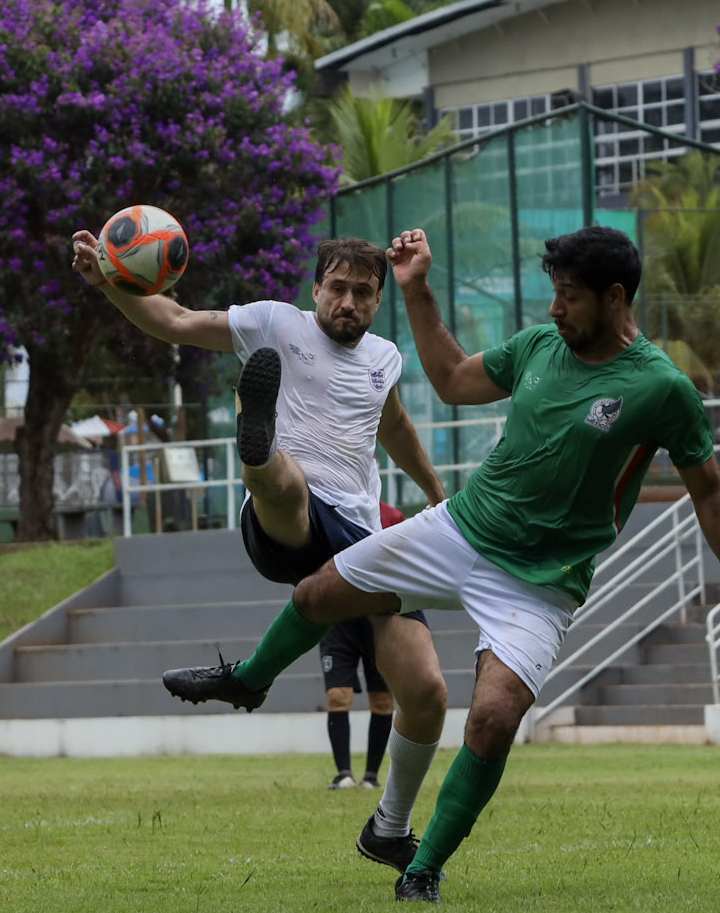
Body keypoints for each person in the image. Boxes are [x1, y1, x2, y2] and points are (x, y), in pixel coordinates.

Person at [163, 225, 720, 903]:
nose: (555, 308)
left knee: (492, 719)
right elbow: (453, 380)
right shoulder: (540, 345)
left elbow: (711, 490)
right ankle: (250, 680)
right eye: (554, 292)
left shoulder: (662, 387)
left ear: (614, 298)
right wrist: (416, 289)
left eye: (570, 297)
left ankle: (420, 868)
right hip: (460, 529)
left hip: (542, 582)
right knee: (317, 593)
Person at [78, 230, 452, 872]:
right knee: (285, 482)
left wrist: (437, 494)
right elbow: (175, 320)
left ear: (377, 300)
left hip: (363, 537)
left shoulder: (385, 357)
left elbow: (392, 426)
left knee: (427, 690)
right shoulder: (274, 323)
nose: (349, 302)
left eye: (363, 293)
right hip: (287, 521)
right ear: (316, 289)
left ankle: (389, 829)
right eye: (338, 288)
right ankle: (258, 447)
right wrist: (109, 281)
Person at [322, 500, 411, 791]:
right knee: (337, 695)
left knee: (383, 700)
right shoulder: (330, 508)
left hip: (379, 620)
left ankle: (371, 776)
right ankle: (343, 774)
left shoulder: (392, 516)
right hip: (337, 618)